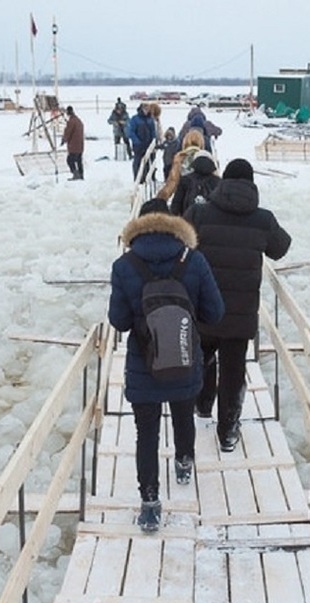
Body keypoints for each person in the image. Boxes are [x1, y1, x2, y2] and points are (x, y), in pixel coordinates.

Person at [108, 198, 224, 532]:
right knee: (183, 413)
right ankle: (184, 461)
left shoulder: (124, 265)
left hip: (143, 364)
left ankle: (149, 503)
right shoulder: (195, 260)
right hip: (186, 358)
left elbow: (119, 321)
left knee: (146, 432)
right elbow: (214, 312)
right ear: (174, 223)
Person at [183, 158, 291, 452]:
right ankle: (227, 431)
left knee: (202, 356)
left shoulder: (200, 213)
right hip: (240, 315)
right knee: (233, 369)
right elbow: (281, 248)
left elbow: (180, 243)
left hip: (205, 308)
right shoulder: (263, 219)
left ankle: (202, 405)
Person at [156, 129, 205, 204]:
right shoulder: (207, 159)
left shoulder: (180, 159)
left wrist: (158, 200)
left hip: (184, 202)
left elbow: (171, 184)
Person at [169, 150, 219, 216]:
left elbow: (176, 204)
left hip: (188, 222)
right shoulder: (218, 181)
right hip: (212, 222)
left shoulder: (185, 179)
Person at [127, 103, 157, 183]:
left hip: (149, 145)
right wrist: (137, 142)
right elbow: (131, 132)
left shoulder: (150, 119)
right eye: (145, 108)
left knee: (150, 161)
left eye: (148, 108)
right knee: (138, 162)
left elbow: (153, 131)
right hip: (138, 145)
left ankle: (151, 177)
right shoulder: (135, 119)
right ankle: (138, 179)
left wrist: (154, 141)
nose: (147, 110)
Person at [61, 106, 85, 180]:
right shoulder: (78, 120)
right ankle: (81, 174)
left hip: (74, 145)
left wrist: (64, 140)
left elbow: (68, 132)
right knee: (79, 160)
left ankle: (75, 174)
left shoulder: (71, 122)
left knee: (70, 160)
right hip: (80, 145)